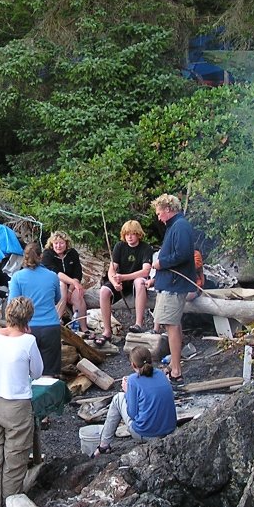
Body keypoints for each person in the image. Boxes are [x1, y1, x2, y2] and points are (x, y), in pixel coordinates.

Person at [0, 296, 44, 507]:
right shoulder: (28, 341)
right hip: (16, 405)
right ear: (28, 319)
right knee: (15, 463)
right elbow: (37, 372)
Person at [150, 194, 198, 386]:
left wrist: (161, 263)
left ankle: (176, 370)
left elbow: (183, 254)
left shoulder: (180, 226)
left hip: (174, 284)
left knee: (171, 325)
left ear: (168, 210)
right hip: (168, 283)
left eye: (159, 213)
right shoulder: (174, 226)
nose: (159, 217)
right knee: (172, 324)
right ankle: (173, 366)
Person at [92, 347, 176, 456]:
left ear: (133, 365)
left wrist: (128, 392)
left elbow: (132, 413)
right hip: (169, 429)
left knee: (118, 398)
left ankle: (104, 445)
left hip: (145, 433)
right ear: (151, 361)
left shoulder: (133, 380)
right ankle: (104, 445)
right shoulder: (161, 374)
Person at [9, 242, 62, 377]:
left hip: (26, 327)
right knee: (49, 374)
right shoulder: (52, 276)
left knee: (25, 372)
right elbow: (57, 299)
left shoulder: (17, 277)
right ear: (41, 256)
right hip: (50, 327)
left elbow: (12, 304)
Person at [97, 220, 154, 346]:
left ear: (138, 234)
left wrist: (124, 277)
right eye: (127, 234)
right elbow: (112, 270)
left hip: (134, 281)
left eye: (132, 234)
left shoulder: (146, 248)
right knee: (104, 291)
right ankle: (107, 331)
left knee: (140, 282)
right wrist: (114, 281)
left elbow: (145, 271)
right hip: (121, 282)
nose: (129, 236)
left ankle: (138, 323)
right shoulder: (120, 246)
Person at [41, 231, 92, 336]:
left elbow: (77, 274)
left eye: (61, 243)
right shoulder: (47, 254)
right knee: (62, 284)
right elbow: (56, 274)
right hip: (53, 284)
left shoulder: (72, 253)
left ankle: (83, 327)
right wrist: (72, 282)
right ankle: (56, 320)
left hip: (71, 285)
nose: (58, 246)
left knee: (78, 296)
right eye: (56, 243)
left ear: (66, 243)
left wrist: (71, 289)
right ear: (52, 244)